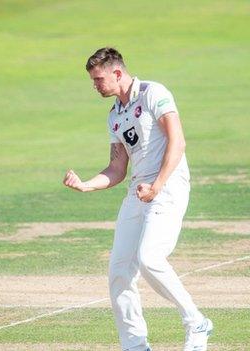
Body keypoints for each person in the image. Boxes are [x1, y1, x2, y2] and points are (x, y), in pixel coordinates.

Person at [63, 47, 212, 351]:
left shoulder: (152, 93)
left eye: (99, 78)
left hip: (168, 185)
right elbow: (117, 169)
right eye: (92, 80)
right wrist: (86, 186)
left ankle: (196, 321)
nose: (95, 85)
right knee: (119, 271)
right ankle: (135, 345)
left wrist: (157, 185)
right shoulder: (114, 116)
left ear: (117, 73)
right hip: (138, 191)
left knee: (150, 259)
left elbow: (178, 141)